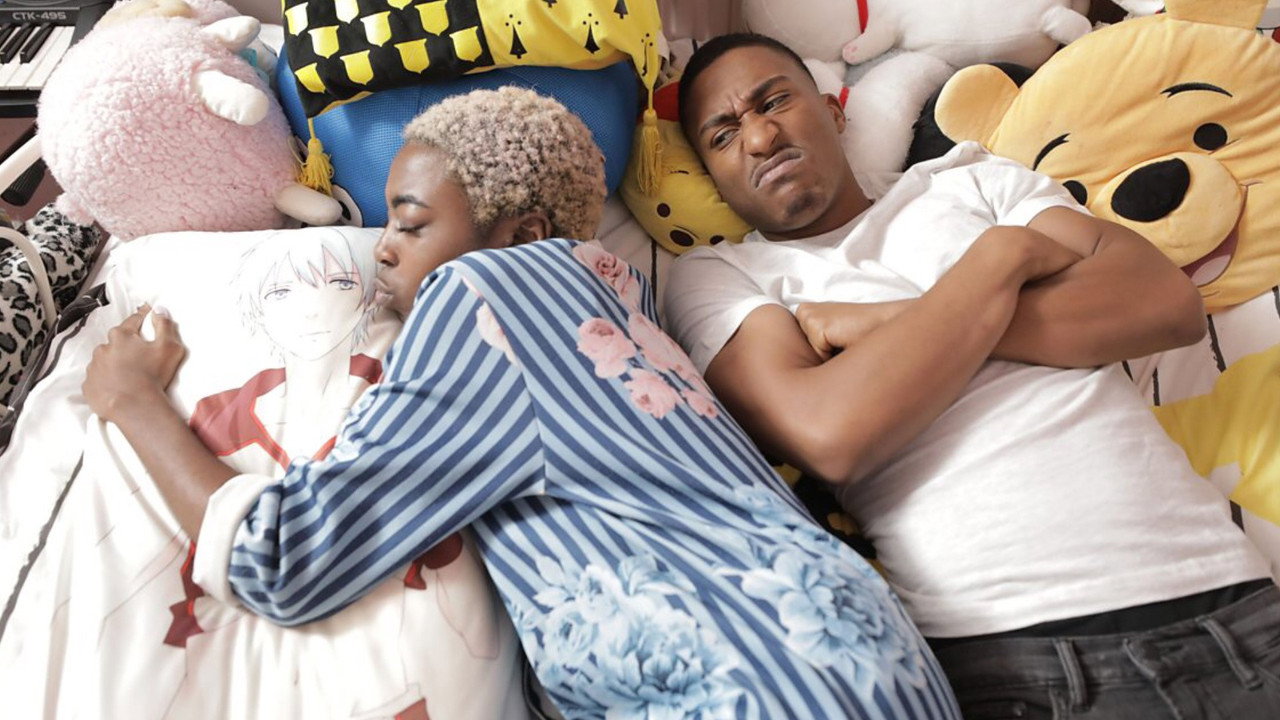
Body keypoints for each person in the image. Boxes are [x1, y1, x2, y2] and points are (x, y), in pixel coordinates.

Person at [82, 86, 961, 719]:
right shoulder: (627, 310)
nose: (381, 249)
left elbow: (288, 556)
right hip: (867, 659)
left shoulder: (490, 296)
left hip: (753, 682)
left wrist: (132, 400)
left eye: (410, 222)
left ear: (522, 234)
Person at [666, 31, 1280, 719]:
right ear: (711, 173)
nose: (758, 137)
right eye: (723, 135)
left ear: (835, 112)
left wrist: (889, 325)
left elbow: (1164, 305)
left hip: (1240, 608)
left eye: (774, 101)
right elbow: (831, 432)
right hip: (1024, 660)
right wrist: (1001, 261)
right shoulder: (724, 277)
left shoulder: (970, 178)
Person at [190, 227, 384, 469]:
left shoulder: (399, 389)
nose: (312, 310)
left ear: (371, 298)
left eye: (342, 283)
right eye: (280, 292)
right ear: (257, 311)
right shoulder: (217, 415)